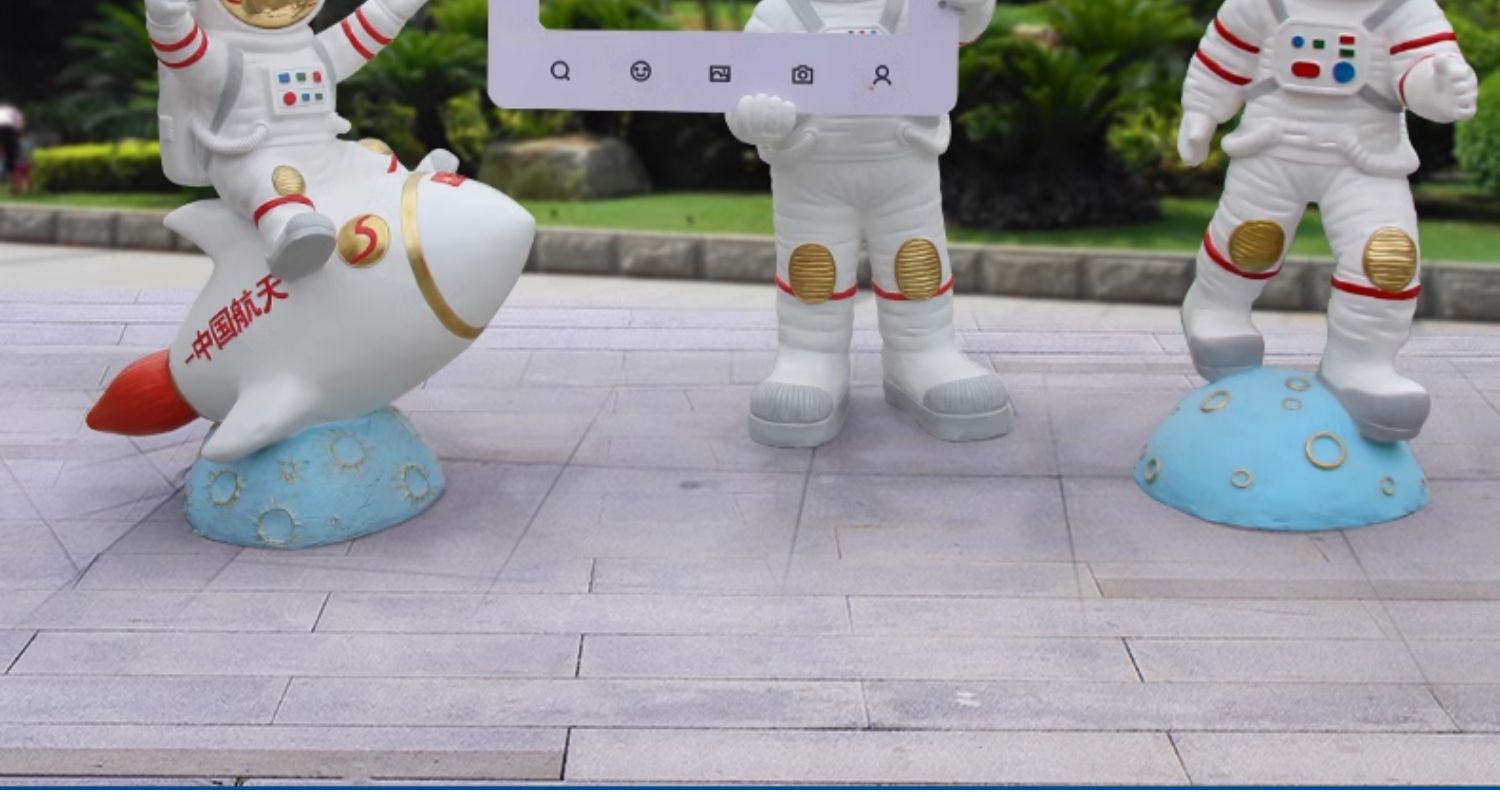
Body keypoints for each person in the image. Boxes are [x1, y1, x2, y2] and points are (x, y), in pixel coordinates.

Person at [1178, 0, 1479, 442]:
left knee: (1386, 259)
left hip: (1366, 158)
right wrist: (1201, 113)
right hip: (1272, 145)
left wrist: (1440, 86)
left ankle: (1362, 361)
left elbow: (1419, 67)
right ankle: (1216, 307)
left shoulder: (1404, 8)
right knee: (1251, 240)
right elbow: (1226, 54)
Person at [726, 0, 1013, 449]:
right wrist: (754, 117)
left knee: (915, 263)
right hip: (811, 177)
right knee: (813, 270)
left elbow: (966, 22)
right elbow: (740, 89)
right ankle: (810, 355)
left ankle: (923, 351)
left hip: (903, 168)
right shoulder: (780, 13)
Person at [144, 0, 432, 280]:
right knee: (276, 183)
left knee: (372, 157)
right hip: (253, 158)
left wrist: (393, 8)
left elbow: (368, 27)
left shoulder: (316, 53)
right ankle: (290, 236)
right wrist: (166, 17)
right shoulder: (228, 62)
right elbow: (180, 48)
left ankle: (422, 194)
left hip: (326, 154)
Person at [0, 104, 22, 186]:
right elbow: (19, 123)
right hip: (9, 129)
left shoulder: (3, 110)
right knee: (12, 155)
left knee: (8, 153)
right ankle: (14, 181)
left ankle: (7, 175)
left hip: (5, 127)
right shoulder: (15, 111)